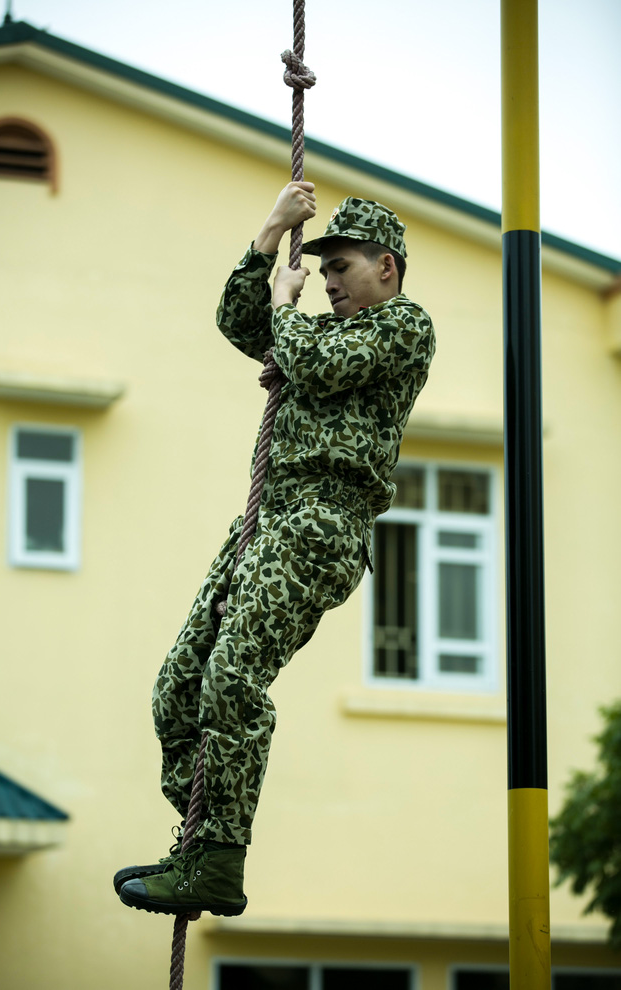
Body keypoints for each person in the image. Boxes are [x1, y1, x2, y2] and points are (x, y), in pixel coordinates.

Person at [116, 181, 436, 917]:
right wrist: (269, 234)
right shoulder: (314, 332)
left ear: (386, 267)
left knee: (233, 679)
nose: (327, 282)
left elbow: (317, 366)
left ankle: (221, 859)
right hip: (266, 521)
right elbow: (239, 322)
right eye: (321, 271)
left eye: (342, 268)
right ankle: (201, 837)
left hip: (322, 522)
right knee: (178, 686)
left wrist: (287, 313)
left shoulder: (402, 328)